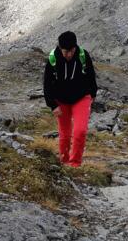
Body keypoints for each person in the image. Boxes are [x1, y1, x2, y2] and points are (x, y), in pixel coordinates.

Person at [43, 31, 97, 167]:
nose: (68, 54)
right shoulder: (52, 59)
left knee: (80, 131)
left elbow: (91, 75)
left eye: (71, 51)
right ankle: (64, 161)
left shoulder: (82, 55)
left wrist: (93, 94)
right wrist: (52, 105)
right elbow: (47, 84)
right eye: (65, 51)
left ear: (75, 48)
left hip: (81, 98)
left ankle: (75, 164)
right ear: (60, 48)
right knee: (65, 135)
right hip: (60, 101)